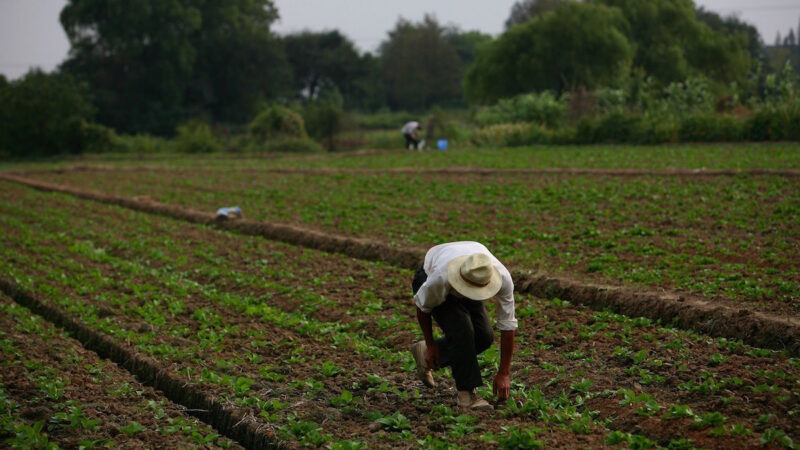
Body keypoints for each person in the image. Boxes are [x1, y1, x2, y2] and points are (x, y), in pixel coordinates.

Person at [410, 241, 517, 410]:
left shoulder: (500, 277)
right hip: (432, 274)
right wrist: (430, 343)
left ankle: (423, 354)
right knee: (462, 329)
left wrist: (504, 372)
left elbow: (508, 326)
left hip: (470, 276)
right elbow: (423, 307)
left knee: (484, 336)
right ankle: (466, 395)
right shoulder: (439, 278)